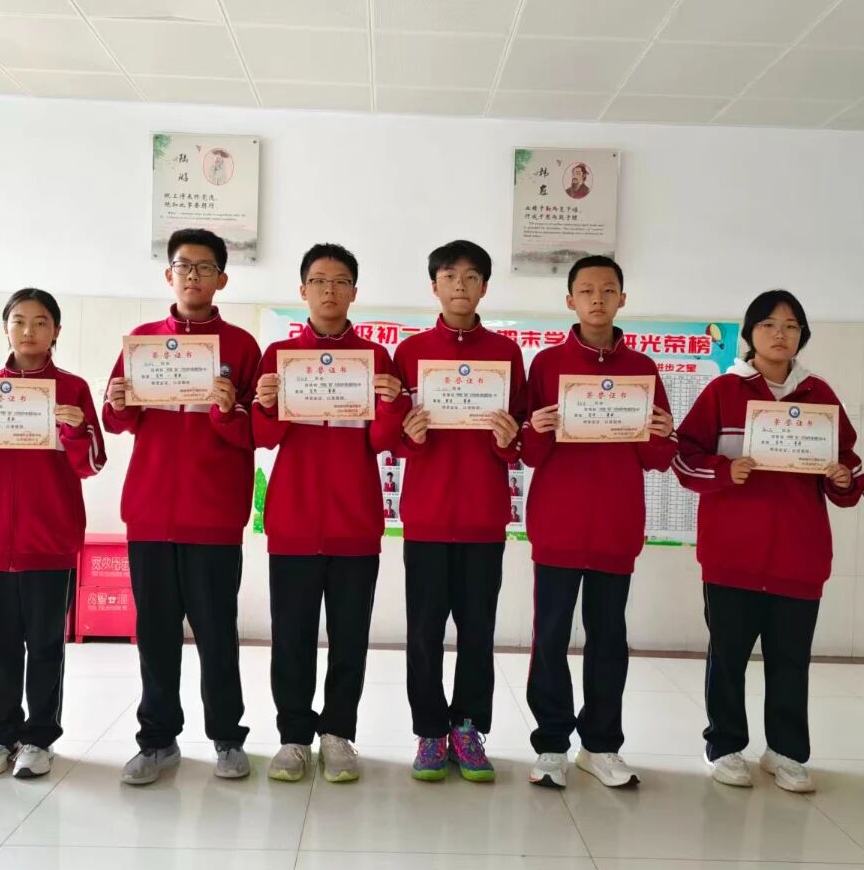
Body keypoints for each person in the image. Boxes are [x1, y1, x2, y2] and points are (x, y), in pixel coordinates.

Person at [673, 290, 863, 794]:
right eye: (769, 324)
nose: (781, 334)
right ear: (750, 333)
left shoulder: (820, 394)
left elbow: (849, 464)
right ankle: (724, 746)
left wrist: (842, 476)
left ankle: (786, 751)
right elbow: (685, 457)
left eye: (792, 325)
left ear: (802, 335)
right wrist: (724, 470)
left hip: (799, 555)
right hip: (732, 553)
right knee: (728, 657)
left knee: (791, 660)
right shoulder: (723, 391)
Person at [104, 228, 261, 785]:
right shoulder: (143, 342)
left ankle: (227, 738)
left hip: (214, 514)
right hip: (150, 510)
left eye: (204, 267)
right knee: (156, 634)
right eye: (183, 266)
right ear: (168, 275)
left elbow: (257, 430)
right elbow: (117, 420)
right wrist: (117, 402)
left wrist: (228, 411)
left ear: (222, 278)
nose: (193, 276)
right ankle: (158, 740)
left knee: (217, 633)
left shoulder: (242, 347)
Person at [254, 243, 410, 783]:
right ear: (303, 291)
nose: (329, 289)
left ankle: (339, 733)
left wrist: (391, 403)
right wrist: (266, 403)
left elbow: (383, 441)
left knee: (350, 638)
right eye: (319, 280)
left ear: (354, 292)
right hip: (294, 521)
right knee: (291, 638)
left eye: (340, 280)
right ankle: (294, 737)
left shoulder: (376, 358)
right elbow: (262, 437)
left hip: (355, 521)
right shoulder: (279, 357)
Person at [0, 289, 106, 779]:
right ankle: (1, 735)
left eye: (41, 322)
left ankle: (39, 739)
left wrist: (76, 430)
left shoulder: (72, 390)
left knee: (47, 645)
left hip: (49, 542)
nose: (29, 331)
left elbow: (92, 464)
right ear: (5, 328)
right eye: (18, 321)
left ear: (56, 331)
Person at [521, 255, 676, 790]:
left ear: (622, 299)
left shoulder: (643, 369)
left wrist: (662, 432)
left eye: (607, 290)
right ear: (569, 300)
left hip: (615, 525)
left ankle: (601, 745)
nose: (596, 299)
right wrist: (538, 428)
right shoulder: (546, 365)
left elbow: (658, 458)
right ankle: (551, 745)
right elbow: (528, 452)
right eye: (586, 290)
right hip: (558, 526)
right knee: (550, 637)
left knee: (609, 638)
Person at [394, 239, 526, 783]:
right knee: (424, 631)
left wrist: (508, 441)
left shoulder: (507, 354)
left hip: (482, 517)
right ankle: (430, 731)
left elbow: (520, 441)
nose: (461, 286)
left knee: (477, 631)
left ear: (485, 287)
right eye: (450, 276)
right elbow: (393, 438)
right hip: (426, 516)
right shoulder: (409, 352)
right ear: (435, 285)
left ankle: (468, 728)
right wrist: (410, 436)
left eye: (472, 277)